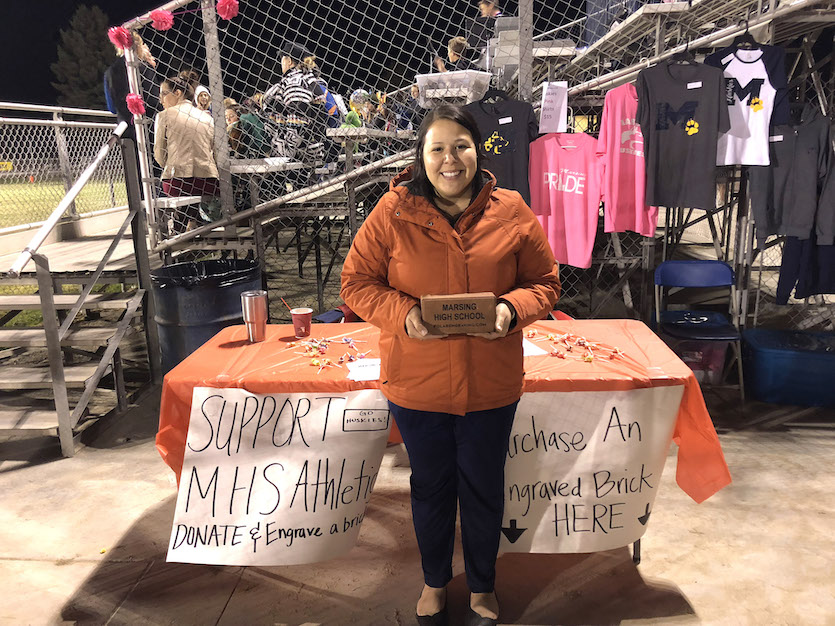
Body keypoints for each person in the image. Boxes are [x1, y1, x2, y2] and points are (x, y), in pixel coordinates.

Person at [340, 104, 560, 626]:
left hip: (490, 385)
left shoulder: (511, 210)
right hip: (419, 386)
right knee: (432, 488)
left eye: (460, 145)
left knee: (485, 487)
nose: (450, 159)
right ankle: (435, 581)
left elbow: (545, 283)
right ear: (420, 156)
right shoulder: (392, 211)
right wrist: (405, 314)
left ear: (477, 150)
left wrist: (511, 309)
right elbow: (356, 282)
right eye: (436, 148)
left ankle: (483, 584)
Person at [153, 71, 219, 232]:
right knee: (193, 195)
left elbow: (160, 155)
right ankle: (193, 221)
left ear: (178, 93)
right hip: (208, 180)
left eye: (163, 94)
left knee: (170, 184)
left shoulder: (164, 116)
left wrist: (169, 164)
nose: (160, 99)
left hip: (178, 180)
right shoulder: (207, 118)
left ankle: (182, 227)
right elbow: (216, 153)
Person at [262, 41, 326, 161]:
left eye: (282, 59)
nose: (281, 63)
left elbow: (298, 122)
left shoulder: (295, 82)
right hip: (309, 149)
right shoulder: (309, 80)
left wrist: (285, 154)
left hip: (296, 155)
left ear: (289, 61)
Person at [103, 31, 158, 138]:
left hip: (125, 129)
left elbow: (112, 108)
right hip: (148, 128)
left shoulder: (109, 73)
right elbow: (154, 100)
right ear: (137, 46)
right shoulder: (144, 67)